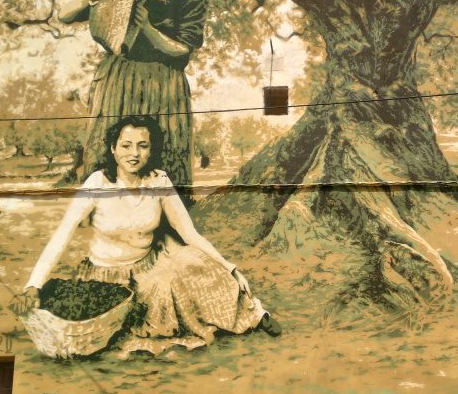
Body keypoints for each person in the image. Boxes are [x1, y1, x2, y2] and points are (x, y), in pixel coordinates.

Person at [19, 116, 280, 357]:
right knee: (160, 289)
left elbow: (188, 233)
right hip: (109, 275)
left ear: (151, 149)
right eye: (126, 145)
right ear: (113, 148)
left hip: (151, 261)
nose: (134, 154)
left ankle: (254, 314)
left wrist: (229, 267)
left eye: (142, 146)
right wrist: (34, 284)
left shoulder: (158, 181)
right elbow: (61, 235)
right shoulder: (98, 183)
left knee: (194, 262)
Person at [65, 0, 205, 199]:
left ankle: (168, 214)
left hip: (165, 84)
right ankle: (103, 207)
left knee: (164, 144)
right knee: (111, 141)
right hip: (119, 78)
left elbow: (181, 49)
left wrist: (147, 29)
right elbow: (66, 14)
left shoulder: (190, 2)